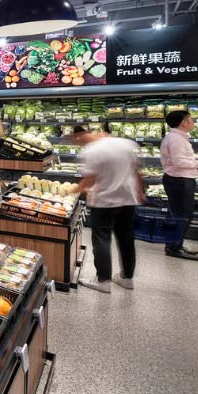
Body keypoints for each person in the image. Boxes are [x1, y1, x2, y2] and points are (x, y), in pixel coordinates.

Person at [71, 125, 144, 293]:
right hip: (128, 199)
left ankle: (103, 281)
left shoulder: (92, 150)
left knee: (102, 238)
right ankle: (127, 278)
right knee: (126, 239)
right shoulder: (126, 144)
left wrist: (72, 193)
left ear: (80, 137)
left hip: (104, 200)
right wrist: (140, 192)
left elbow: (89, 179)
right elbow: (137, 171)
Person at [160, 110, 198, 261]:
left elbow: (180, 162)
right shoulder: (176, 139)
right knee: (182, 215)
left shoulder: (177, 138)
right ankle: (174, 247)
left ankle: (175, 244)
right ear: (183, 123)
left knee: (179, 214)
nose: (193, 122)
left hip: (180, 180)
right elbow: (179, 163)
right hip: (179, 181)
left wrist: (196, 169)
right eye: (191, 120)